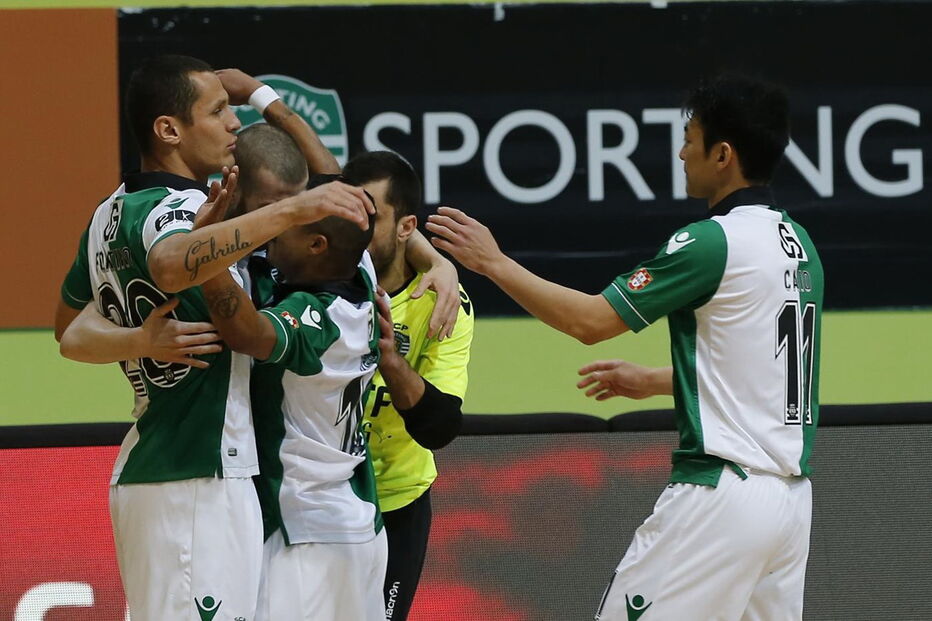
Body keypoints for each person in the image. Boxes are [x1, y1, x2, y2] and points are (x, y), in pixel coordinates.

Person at [427, 74, 823, 621]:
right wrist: (660, 379)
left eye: (692, 138)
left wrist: (492, 262)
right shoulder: (800, 245)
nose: (682, 152)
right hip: (789, 506)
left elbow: (590, 322)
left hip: (721, 497)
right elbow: (774, 372)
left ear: (723, 155)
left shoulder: (711, 242)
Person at [55, 55, 373, 621]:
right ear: (169, 129)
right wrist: (293, 209)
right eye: (218, 111)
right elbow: (175, 264)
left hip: (170, 462)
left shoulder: (108, 213)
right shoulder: (176, 209)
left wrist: (138, 342)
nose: (234, 125)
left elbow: (69, 332)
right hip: (194, 470)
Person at [195, 173, 386, 620]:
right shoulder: (360, 271)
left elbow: (248, 333)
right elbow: (346, 200)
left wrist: (203, 251)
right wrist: (265, 100)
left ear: (317, 245)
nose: (273, 231)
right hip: (360, 521)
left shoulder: (317, 317)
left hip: (308, 528)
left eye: (288, 225)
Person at [343, 151, 474, 621]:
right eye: (350, 212)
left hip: (398, 502)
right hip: (320, 496)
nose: (357, 228)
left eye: (372, 218)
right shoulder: (314, 280)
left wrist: (392, 362)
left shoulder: (441, 303)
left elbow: (439, 427)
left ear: (406, 227)